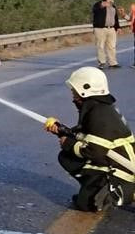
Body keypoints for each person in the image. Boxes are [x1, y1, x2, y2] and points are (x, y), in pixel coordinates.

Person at [45, 66, 135, 212]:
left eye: (74, 92)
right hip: (116, 164)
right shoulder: (100, 108)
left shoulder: (99, 114)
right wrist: (61, 131)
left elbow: (95, 152)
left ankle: (121, 191)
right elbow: (85, 135)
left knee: (86, 204)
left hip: (120, 170)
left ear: (85, 90)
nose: (73, 96)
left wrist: (67, 143)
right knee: (67, 157)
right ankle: (96, 187)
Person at [92, 0, 119, 68]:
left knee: (112, 46)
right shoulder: (98, 4)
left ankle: (113, 63)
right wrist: (102, 6)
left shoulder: (113, 5)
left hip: (111, 29)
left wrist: (118, 27)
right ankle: (102, 62)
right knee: (100, 46)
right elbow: (94, 11)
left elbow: (116, 17)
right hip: (100, 29)